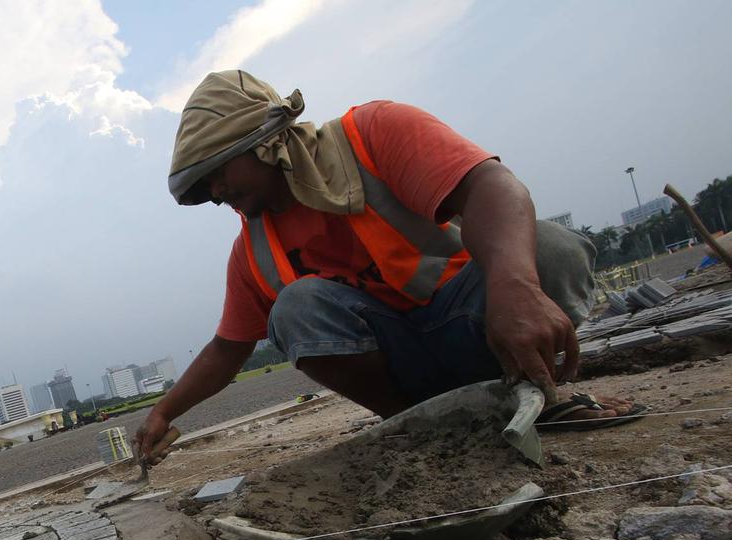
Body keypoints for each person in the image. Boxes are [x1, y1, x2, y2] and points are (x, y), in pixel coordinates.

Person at [136, 70, 641, 467]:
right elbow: (228, 348)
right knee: (296, 308)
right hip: (408, 373)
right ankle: (422, 427)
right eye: (206, 188)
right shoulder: (254, 250)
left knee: (550, 251)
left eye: (219, 172)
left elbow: (493, 187)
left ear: (265, 141)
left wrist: (514, 287)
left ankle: (538, 395)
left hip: (479, 327)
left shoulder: (373, 133)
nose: (217, 192)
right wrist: (163, 412)